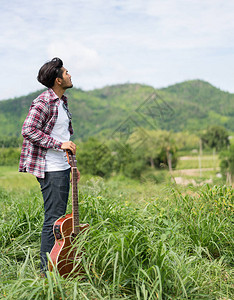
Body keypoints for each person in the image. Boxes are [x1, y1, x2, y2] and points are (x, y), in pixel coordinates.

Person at [19, 57, 80, 274]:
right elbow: (28, 130)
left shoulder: (62, 102)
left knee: (59, 218)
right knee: (53, 219)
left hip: (61, 166)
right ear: (58, 80)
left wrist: (72, 166)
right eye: (66, 73)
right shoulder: (43, 102)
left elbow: (64, 137)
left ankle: (59, 264)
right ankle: (46, 271)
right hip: (50, 168)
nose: (70, 74)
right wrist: (58, 144)